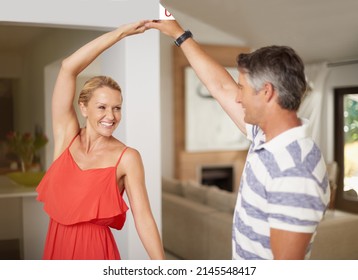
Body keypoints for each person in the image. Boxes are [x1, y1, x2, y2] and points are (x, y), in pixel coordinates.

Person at [146, 19, 330, 260]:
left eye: (242, 88)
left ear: (266, 92)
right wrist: (178, 33)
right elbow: (220, 85)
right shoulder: (264, 135)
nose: (238, 98)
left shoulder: (294, 170)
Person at [36, 21, 165, 260]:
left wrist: (164, 268)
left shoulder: (127, 158)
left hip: (95, 252)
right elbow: (67, 68)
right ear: (83, 107)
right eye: (102, 107)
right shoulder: (67, 136)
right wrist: (121, 33)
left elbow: (144, 218)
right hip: (56, 249)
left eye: (117, 108)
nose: (111, 116)